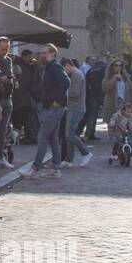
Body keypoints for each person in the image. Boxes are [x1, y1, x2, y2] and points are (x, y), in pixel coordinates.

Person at [31, 44, 70, 178]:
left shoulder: (55, 66)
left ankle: (35, 168)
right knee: (53, 138)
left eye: (45, 52)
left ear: (53, 53)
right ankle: (56, 168)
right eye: (42, 53)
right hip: (51, 106)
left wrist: (57, 100)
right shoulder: (49, 67)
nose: (43, 55)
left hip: (54, 107)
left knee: (42, 137)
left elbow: (66, 82)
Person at [61, 58, 92, 167]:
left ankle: (86, 153)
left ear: (68, 65)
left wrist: (64, 91)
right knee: (70, 133)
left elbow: (75, 92)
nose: (65, 72)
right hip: (73, 108)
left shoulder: (77, 75)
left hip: (76, 108)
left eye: (64, 68)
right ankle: (69, 159)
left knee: (69, 134)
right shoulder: (76, 75)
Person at [0, 37, 16, 165]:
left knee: (3, 131)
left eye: (7, 49)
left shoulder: (8, 60)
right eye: (3, 49)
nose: (5, 51)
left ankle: (0, 158)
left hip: (8, 98)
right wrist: (1, 79)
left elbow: (10, 75)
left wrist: (11, 80)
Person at [83, 56, 107, 140]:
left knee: (92, 114)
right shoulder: (105, 68)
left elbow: (86, 83)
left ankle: (89, 133)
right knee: (97, 114)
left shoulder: (91, 70)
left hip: (91, 95)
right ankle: (91, 133)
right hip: (102, 94)